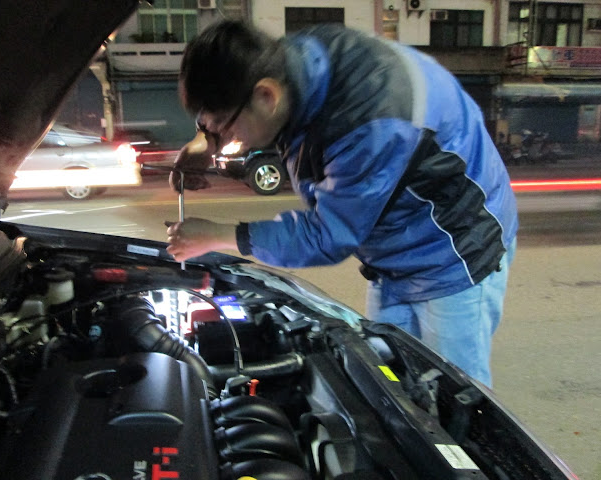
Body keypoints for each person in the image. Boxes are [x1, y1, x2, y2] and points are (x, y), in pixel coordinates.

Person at [165, 20, 518, 388]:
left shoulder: (369, 121)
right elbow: (253, 109)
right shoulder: (291, 64)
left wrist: (218, 235)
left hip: (455, 252)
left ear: (266, 97)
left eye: (223, 126)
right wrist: (207, 140)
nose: (226, 140)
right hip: (395, 254)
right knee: (390, 387)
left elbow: (328, 236)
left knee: (453, 398)